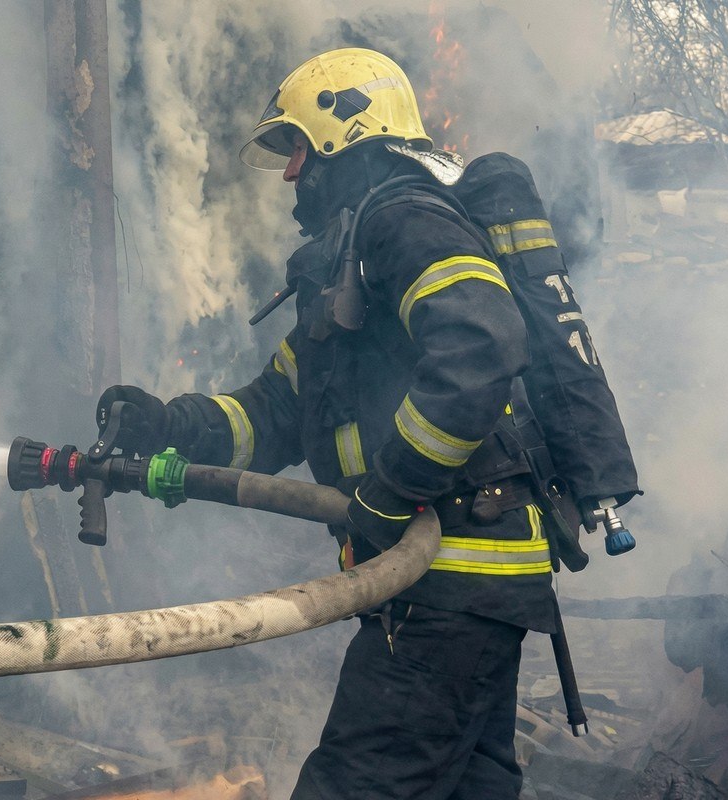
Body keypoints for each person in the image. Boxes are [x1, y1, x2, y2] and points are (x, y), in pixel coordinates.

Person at [96, 47, 614, 799]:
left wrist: (392, 489)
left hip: (445, 581)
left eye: (298, 148)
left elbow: (483, 340)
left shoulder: (401, 221)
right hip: (449, 592)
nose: (289, 174)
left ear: (344, 133)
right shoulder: (350, 261)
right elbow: (272, 413)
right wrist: (164, 424)